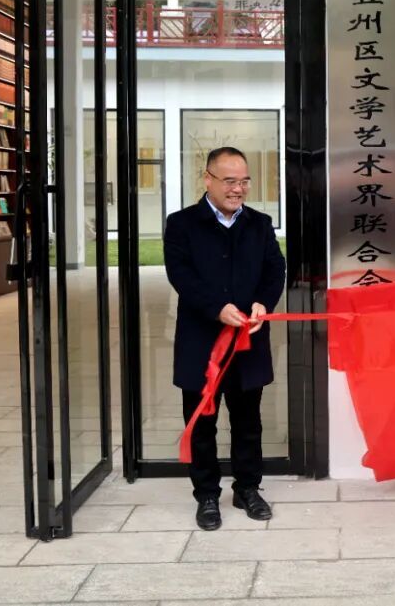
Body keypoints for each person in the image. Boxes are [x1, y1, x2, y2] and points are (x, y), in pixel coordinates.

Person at [164, 146, 286, 531]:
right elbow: (181, 275)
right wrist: (217, 307)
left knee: (248, 420)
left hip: (247, 341)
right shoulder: (182, 224)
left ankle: (247, 488)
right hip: (201, 341)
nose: (238, 189)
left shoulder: (260, 224)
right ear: (208, 179)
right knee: (202, 421)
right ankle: (207, 495)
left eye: (244, 181)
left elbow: (275, 269)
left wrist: (263, 302)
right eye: (230, 181)